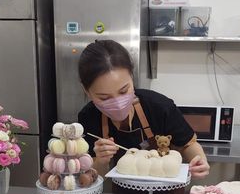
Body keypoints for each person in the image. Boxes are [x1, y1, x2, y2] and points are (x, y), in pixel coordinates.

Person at [77, 39, 210, 181]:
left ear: (132, 78)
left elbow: (188, 144)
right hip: (122, 192)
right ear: (87, 91)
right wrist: (101, 160)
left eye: (123, 91)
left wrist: (200, 161)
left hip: (166, 191)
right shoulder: (88, 117)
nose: (117, 103)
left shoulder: (159, 106)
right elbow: (93, 177)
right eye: (104, 98)